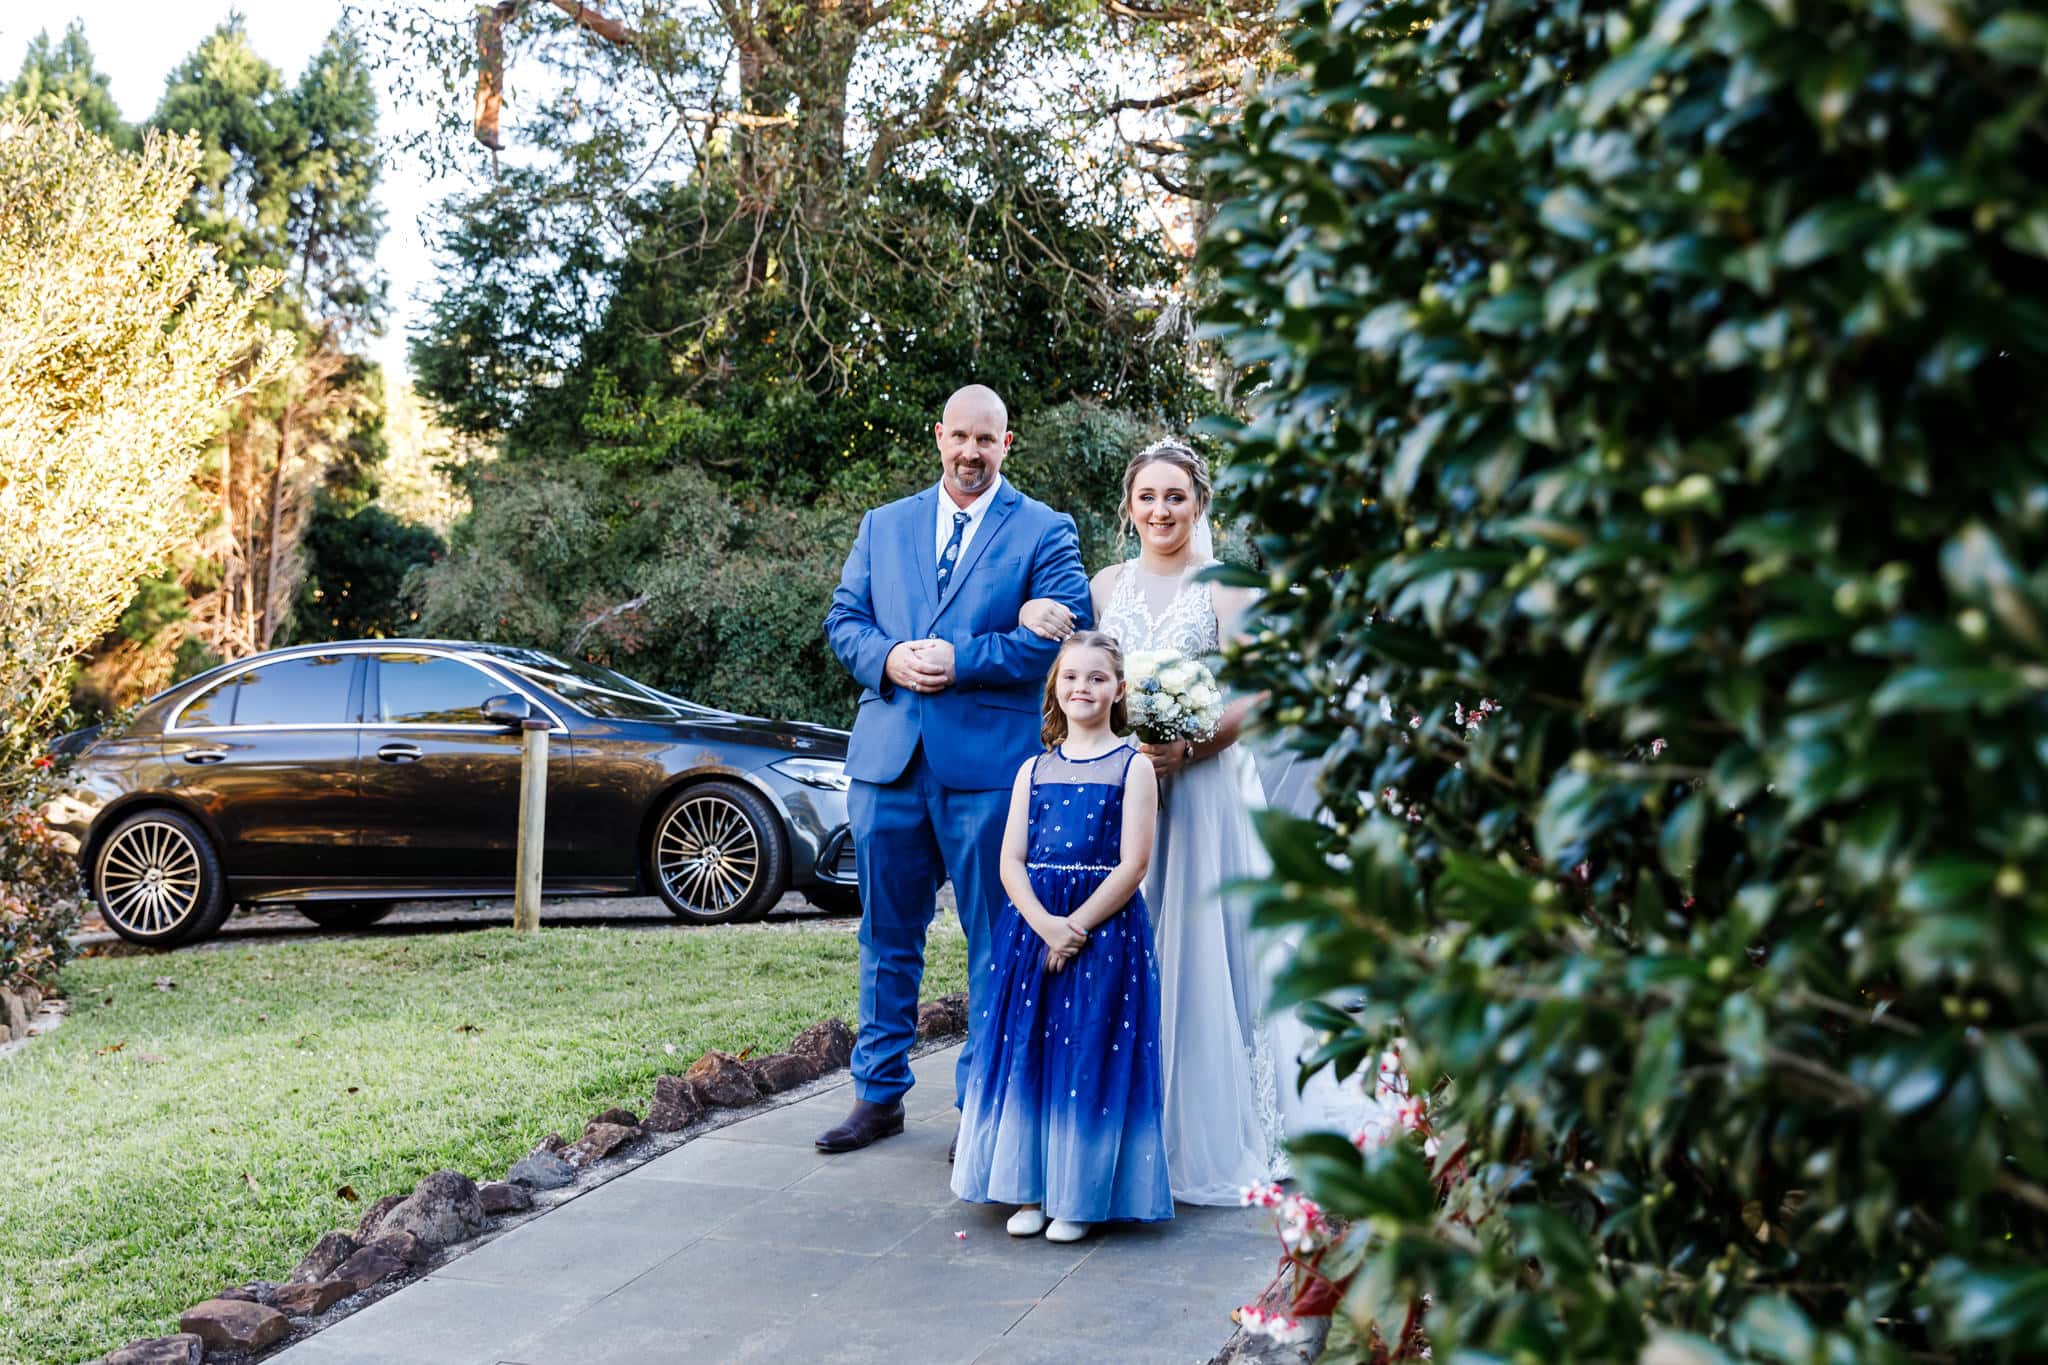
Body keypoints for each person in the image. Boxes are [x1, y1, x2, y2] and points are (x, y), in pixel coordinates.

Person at [1018, 439, 1370, 1200]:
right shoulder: (1105, 582)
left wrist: (1191, 743)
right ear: (1129, 506)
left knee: (1207, 948)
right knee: (1128, 939)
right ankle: (1126, 1111)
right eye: (1147, 497)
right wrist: (1030, 611)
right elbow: (1081, 668)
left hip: (1204, 791)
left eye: (1175, 496)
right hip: (1121, 794)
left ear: (1199, 503)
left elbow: (1263, 689)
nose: (1160, 510)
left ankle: (1217, 1119)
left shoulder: (1225, 587)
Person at [817, 385, 1094, 1155]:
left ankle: (983, 1104)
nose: (971, 452)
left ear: (1009, 444)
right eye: (959, 437)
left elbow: (1073, 632)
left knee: (993, 938)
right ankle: (877, 1095)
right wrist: (891, 657)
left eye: (988, 440)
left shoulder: (1046, 529)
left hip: (988, 769)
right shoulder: (884, 524)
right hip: (888, 763)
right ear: (939, 435)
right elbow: (845, 620)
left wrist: (963, 659)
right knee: (885, 934)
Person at [951, 631, 1171, 1241]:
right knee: (1031, 1051)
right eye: (1071, 676)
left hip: (1103, 934)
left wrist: (1076, 927)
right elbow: (1010, 862)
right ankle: (1029, 1188)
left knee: (1088, 1049)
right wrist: (1045, 924)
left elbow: (1133, 865)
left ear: (1119, 690)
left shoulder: (1135, 768)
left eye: (1098, 678)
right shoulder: (1034, 768)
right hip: (1035, 930)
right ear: (1055, 685)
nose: (1083, 687)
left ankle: (1078, 1195)